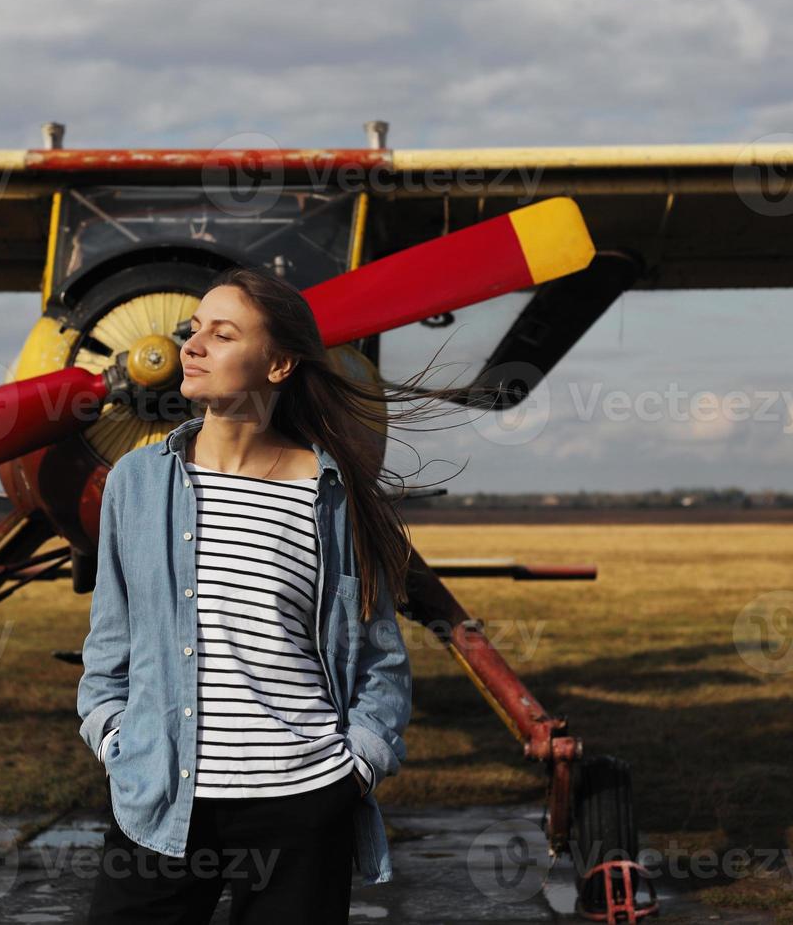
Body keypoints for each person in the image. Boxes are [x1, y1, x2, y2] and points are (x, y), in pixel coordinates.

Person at [79, 267, 489, 924]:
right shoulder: (136, 481)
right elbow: (110, 642)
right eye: (193, 330)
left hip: (302, 803)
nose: (190, 345)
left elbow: (379, 656)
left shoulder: (336, 496)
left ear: (278, 365)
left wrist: (355, 769)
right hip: (159, 793)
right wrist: (115, 739)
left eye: (223, 333)